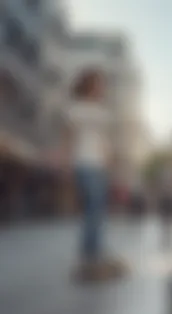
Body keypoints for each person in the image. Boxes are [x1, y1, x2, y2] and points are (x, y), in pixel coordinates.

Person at [65, 69, 127, 282]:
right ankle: (90, 255)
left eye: (103, 83)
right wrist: (67, 164)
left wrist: (111, 163)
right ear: (89, 85)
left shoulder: (103, 111)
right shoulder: (77, 108)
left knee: (97, 210)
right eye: (98, 83)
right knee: (93, 209)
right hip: (85, 163)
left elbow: (105, 141)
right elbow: (70, 137)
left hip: (100, 166)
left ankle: (92, 255)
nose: (102, 87)